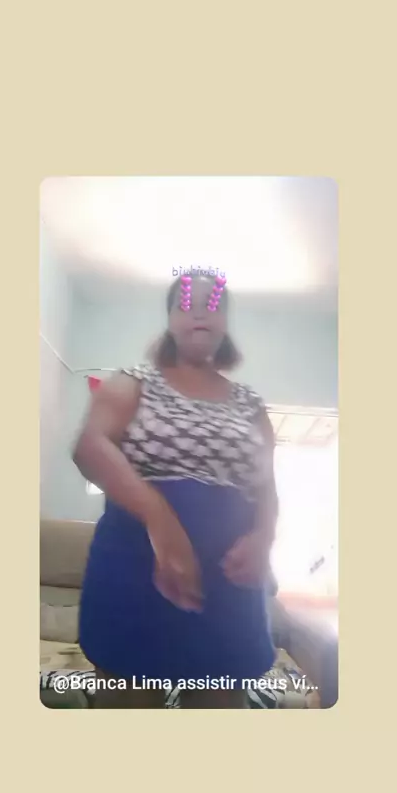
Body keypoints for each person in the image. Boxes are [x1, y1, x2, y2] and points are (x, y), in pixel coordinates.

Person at [73, 273, 278, 708]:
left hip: (229, 588)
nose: (200, 312)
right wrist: (160, 519)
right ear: (169, 320)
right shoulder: (134, 382)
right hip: (136, 574)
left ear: (225, 322)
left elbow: (266, 486)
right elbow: (90, 447)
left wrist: (264, 536)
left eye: (213, 304)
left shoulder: (250, 404)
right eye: (186, 303)